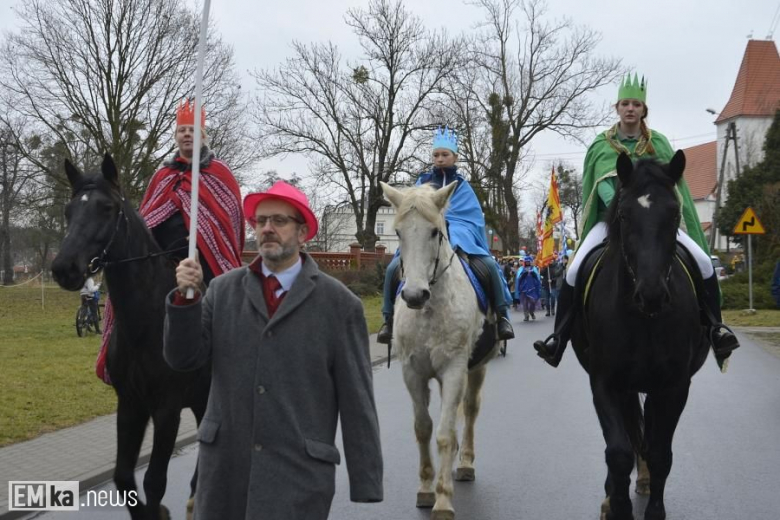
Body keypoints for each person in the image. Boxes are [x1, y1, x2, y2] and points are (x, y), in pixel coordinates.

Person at [164, 181, 383, 519]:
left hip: (298, 477)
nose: (267, 229)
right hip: (225, 472)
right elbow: (182, 359)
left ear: (303, 232)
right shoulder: (222, 292)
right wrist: (184, 301)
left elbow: (357, 399)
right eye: (260, 221)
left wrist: (366, 479)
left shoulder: (340, 306)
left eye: (279, 221)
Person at [533, 74, 740, 370]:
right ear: (617, 107)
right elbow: (599, 186)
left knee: (704, 263)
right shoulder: (601, 145)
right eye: (625, 103)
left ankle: (715, 328)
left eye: (636, 104)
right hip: (612, 220)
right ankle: (560, 337)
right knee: (574, 268)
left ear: (644, 109)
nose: (630, 108)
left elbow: (673, 184)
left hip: (656, 224)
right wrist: (619, 205)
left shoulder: (659, 143)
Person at [95, 99, 245, 384]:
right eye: (182, 130)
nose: (187, 134)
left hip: (205, 260)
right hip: (163, 258)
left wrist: (202, 236)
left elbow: (229, 224)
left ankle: (226, 358)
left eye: (193, 130)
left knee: (223, 292)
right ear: (176, 136)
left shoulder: (219, 174)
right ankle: (124, 357)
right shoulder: (162, 176)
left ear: (203, 136)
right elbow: (145, 222)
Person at [377, 126, 515, 344]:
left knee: (488, 265)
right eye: (436, 155)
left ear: (455, 157)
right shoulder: (422, 182)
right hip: (425, 236)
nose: (440, 159)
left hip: (460, 233)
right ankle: (388, 319)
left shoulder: (462, 187)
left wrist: (450, 226)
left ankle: (502, 316)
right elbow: (410, 214)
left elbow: (472, 218)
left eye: (445, 155)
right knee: (393, 269)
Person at [515, 256, 541, 321]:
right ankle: (526, 315)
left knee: (533, 301)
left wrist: (533, 273)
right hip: (523, 288)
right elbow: (518, 278)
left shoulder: (534, 268)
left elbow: (537, 277)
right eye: (526, 262)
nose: (527, 263)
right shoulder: (521, 269)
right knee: (524, 303)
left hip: (532, 288)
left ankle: (531, 312)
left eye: (528, 262)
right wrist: (524, 274)